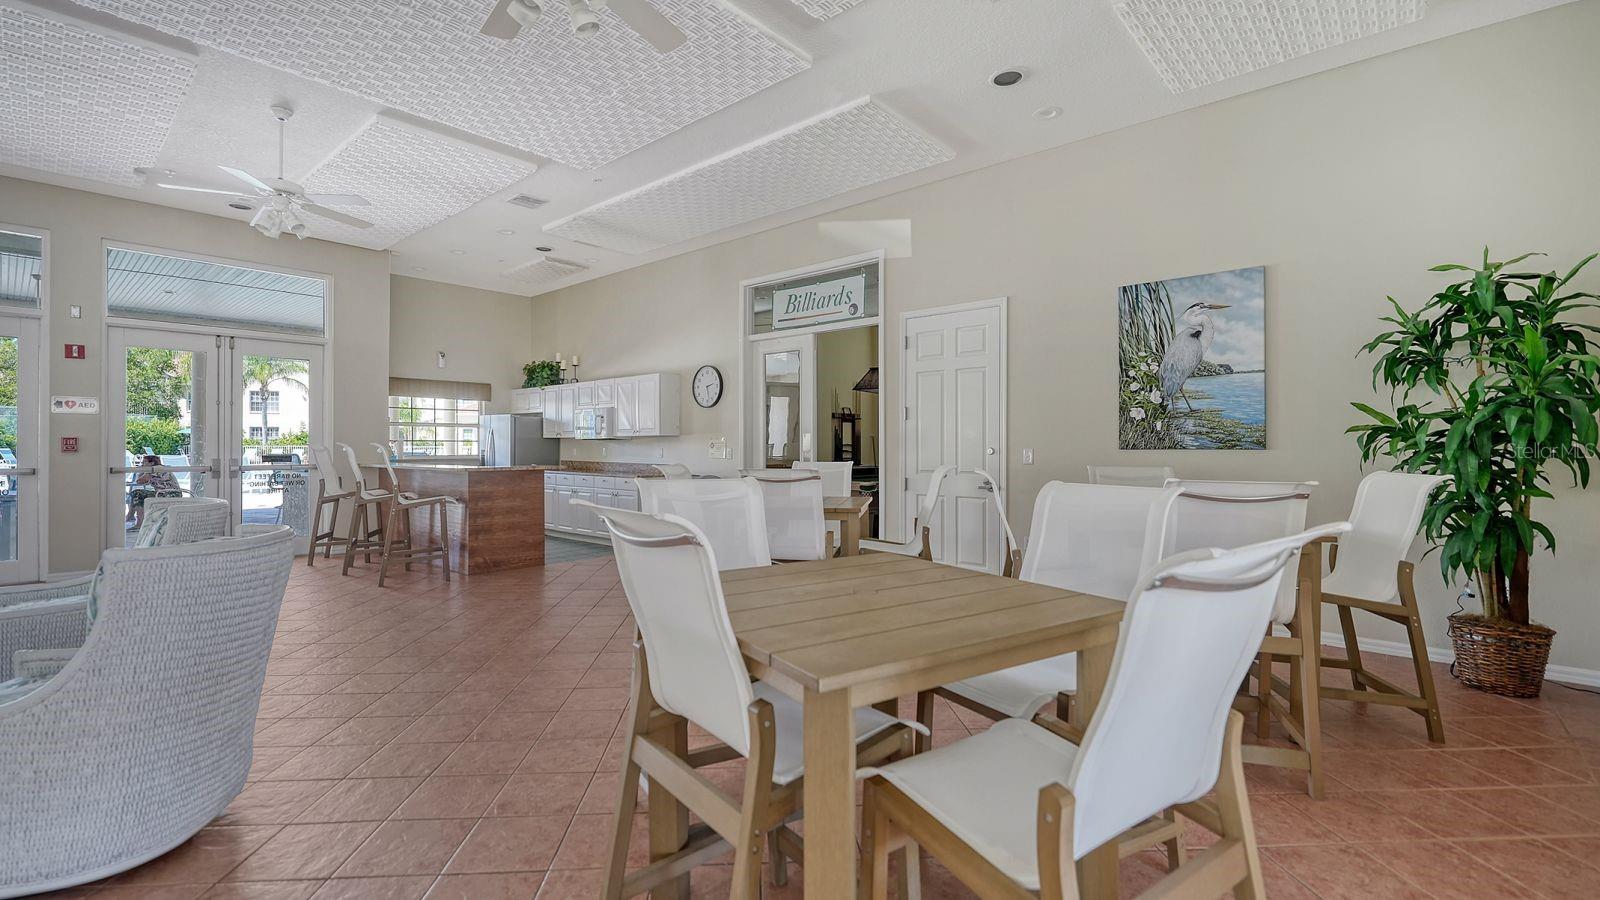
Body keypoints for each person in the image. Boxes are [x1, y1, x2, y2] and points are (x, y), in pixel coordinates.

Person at [126, 454, 181, 530]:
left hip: (169, 494)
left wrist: (142, 471)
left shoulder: (155, 469)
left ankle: (134, 519)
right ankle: (132, 517)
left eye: (144, 462)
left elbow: (140, 480)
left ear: (151, 463)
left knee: (137, 493)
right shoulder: (157, 469)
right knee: (137, 494)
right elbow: (141, 482)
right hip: (168, 493)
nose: (142, 464)